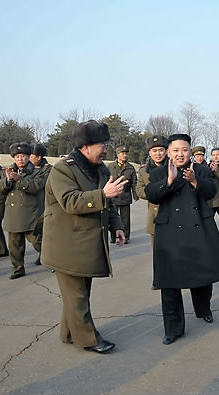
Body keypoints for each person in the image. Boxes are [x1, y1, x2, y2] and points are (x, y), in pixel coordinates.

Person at [42, 120, 127, 354]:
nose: (106, 149)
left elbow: (108, 204)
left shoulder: (100, 169)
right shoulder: (63, 169)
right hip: (66, 244)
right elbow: (70, 201)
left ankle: (68, 333)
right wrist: (102, 194)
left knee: (79, 292)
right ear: (85, 147)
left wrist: (116, 226)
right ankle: (89, 339)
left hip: (85, 244)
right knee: (77, 294)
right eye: (102, 144)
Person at [145, 133, 219, 345]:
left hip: (198, 228)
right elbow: (151, 194)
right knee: (169, 282)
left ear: (190, 152)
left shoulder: (201, 170)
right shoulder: (158, 172)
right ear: (169, 153)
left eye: (184, 150)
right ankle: (173, 329)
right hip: (169, 232)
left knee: (201, 275)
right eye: (175, 150)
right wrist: (168, 181)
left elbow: (211, 192)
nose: (180, 154)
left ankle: (204, 309)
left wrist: (194, 180)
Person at [0, 142, 45, 279]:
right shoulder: (7, 171)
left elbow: (36, 187)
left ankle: (53, 261)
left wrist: (19, 180)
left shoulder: (37, 171)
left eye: (23, 156)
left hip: (32, 214)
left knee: (37, 241)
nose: (20, 159)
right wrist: (7, 180)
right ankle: (18, 268)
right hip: (13, 214)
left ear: (29, 157)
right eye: (17, 156)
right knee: (15, 244)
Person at [136, 135, 169, 247]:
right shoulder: (143, 171)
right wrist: (156, 193)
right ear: (149, 152)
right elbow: (139, 190)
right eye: (154, 151)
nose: (158, 153)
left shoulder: (174, 167)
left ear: (166, 151)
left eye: (161, 150)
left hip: (174, 214)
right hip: (155, 214)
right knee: (158, 253)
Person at [108, 145, 138, 244]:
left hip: (125, 195)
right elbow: (106, 180)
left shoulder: (130, 167)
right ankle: (113, 236)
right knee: (113, 217)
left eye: (126, 154)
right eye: (123, 153)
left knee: (125, 219)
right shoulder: (111, 166)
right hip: (113, 196)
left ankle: (126, 236)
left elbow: (134, 182)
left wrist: (135, 194)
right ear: (118, 155)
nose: (125, 155)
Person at [29, 143, 52, 266]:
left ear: (39, 157)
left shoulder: (48, 169)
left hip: (44, 205)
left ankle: (49, 257)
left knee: (41, 235)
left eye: (31, 156)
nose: (28, 158)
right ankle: (44, 254)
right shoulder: (27, 168)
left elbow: (40, 185)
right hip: (31, 206)